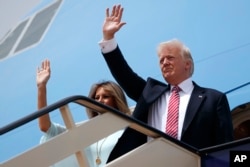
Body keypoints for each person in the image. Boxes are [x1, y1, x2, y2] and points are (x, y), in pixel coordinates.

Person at [98, 4, 234, 163]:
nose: (164, 62)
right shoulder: (150, 94)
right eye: (161, 60)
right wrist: (108, 39)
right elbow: (123, 74)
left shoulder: (213, 99)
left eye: (170, 58)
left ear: (187, 64)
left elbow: (225, 145)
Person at [36, 59, 131, 167]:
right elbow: (45, 127)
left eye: (105, 96)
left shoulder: (130, 127)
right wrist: (41, 87)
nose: (99, 100)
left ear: (116, 99)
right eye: (96, 97)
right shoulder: (86, 132)